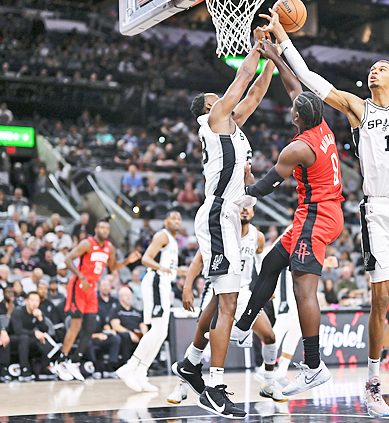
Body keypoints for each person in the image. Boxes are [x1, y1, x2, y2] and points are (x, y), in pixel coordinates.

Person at [257, 10, 389, 414]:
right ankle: (372, 383)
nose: (374, 72)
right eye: (372, 68)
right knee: (379, 298)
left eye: (382, 69)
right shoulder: (358, 108)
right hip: (377, 211)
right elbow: (310, 79)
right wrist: (283, 43)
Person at [228, 39, 344, 398]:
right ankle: (245, 325)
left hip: (318, 215)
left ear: (297, 118)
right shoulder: (321, 126)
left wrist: (240, 193)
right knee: (272, 261)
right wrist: (275, 54)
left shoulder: (297, 148)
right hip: (321, 211)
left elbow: (266, 185)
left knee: (302, 289)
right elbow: (296, 85)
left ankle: (313, 367)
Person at [189, 27, 275, 419]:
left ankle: (192, 365)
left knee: (225, 300)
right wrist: (257, 47)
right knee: (228, 303)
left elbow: (254, 92)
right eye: (214, 100)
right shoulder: (213, 123)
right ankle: (215, 386)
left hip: (225, 213)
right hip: (217, 213)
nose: (220, 101)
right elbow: (241, 82)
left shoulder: (232, 127)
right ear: (205, 114)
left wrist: (272, 60)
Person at [168, 206, 287, 404]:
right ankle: (181, 385)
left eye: (249, 208)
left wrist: (267, 286)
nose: (245, 211)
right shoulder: (223, 231)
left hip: (244, 293)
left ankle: (268, 383)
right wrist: (187, 287)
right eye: (242, 207)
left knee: (269, 336)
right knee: (203, 337)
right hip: (218, 289)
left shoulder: (257, 237)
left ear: (254, 212)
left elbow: (261, 263)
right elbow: (197, 262)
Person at [53, 217, 141, 382]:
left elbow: (113, 267)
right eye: (101, 228)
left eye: (107, 228)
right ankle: (60, 362)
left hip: (91, 289)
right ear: (96, 229)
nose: (104, 231)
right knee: (75, 326)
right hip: (78, 286)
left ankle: (74, 361)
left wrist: (128, 261)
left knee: (90, 327)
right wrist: (81, 277)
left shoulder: (109, 248)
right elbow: (68, 260)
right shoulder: (87, 243)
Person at [117, 211, 183, 392]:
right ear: (165, 220)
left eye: (179, 218)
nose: (176, 220)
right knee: (158, 329)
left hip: (163, 283)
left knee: (161, 333)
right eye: (173, 217)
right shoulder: (162, 235)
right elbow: (146, 259)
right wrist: (160, 267)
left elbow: (172, 269)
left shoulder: (173, 241)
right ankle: (130, 367)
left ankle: (141, 372)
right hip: (155, 281)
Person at [7, 291, 54, 381]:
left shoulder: (38, 312)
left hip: (28, 337)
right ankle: (24, 369)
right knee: (24, 338)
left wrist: (40, 318)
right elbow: (18, 330)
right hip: (14, 338)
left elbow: (45, 330)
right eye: (32, 300)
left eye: (37, 301)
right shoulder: (18, 311)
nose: (34, 303)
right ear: (26, 301)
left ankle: (45, 369)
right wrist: (35, 333)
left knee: (44, 339)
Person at [110, 287, 148, 367]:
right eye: (126, 295)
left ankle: (145, 363)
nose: (129, 297)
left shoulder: (136, 310)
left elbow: (142, 324)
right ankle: (126, 362)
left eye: (129, 295)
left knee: (149, 337)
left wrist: (144, 333)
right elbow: (115, 325)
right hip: (125, 334)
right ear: (120, 297)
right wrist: (130, 333)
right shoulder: (117, 310)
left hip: (137, 333)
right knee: (125, 336)